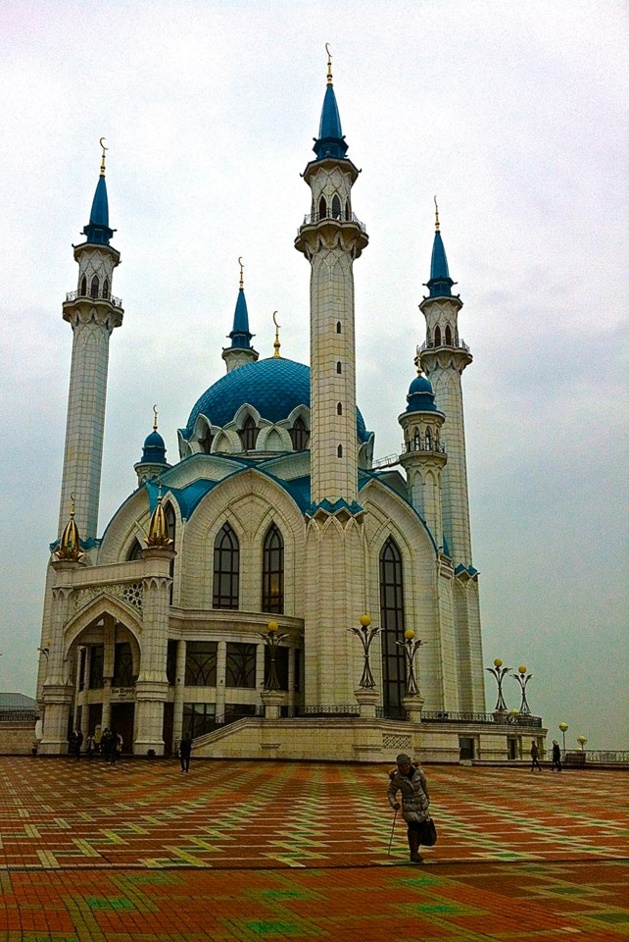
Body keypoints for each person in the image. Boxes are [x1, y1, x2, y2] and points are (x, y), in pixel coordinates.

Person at [387, 753, 431, 863]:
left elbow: (424, 787)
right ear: (398, 767)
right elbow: (391, 792)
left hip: (421, 804)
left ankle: (416, 849)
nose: (404, 768)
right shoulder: (397, 778)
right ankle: (414, 852)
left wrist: (427, 799)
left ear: (409, 764)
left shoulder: (418, 773)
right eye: (401, 766)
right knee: (413, 827)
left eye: (406, 765)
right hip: (409, 805)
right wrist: (394, 803)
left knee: (421, 827)